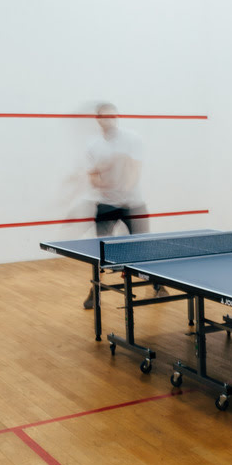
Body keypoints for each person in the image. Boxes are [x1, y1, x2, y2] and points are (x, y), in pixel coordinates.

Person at [83, 102, 152, 309]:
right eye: (106, 116)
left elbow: (134, 168)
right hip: (106, 205)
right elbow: (93, 177)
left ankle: (158, 285)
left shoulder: (132, 139)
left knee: (146, 249)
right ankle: (95, 291)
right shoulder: (93, 146)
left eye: (114, 116)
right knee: (101, 253)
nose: (111, 120)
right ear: (98, 119)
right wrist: (105, 185)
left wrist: (126, 187)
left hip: (134, 204)